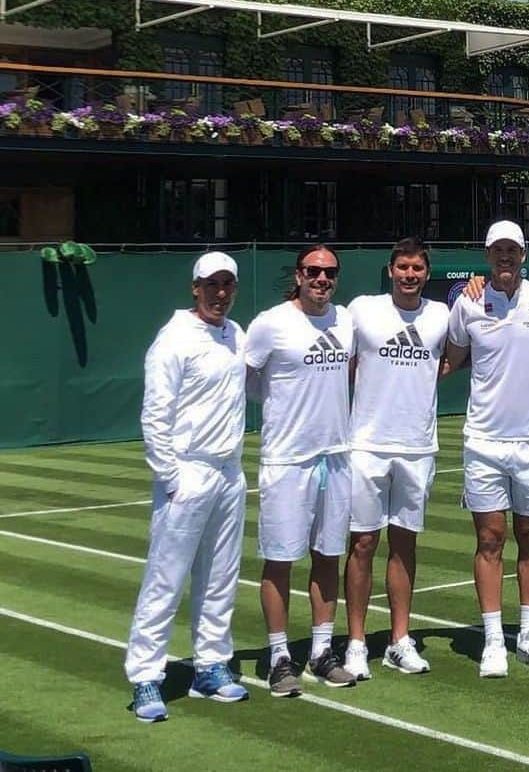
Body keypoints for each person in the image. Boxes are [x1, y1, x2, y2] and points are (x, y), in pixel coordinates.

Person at [124, 252, 249, 722]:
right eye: (212, 284)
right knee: (166, 579)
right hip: (188, 472)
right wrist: (171, 476)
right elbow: (155, 414)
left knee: (220, 577)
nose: (220, 292)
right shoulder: (172, 340)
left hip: (229, 472)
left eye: (228, 284)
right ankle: (146, 677)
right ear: (195, 287)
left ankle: (211, 665)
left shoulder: (235, 334)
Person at [446, 220, 529, 678]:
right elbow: (449, 360)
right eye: (497, 250)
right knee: (489, 539)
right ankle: (495, 640)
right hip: (483, 441)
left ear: (523, 255)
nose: (505, 257)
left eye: (512, 250)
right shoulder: (467, 303)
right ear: (487, 255)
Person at [246, 244, 356, 696]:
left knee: (328, 555)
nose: (321, 279)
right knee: (280, 560)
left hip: (337, 456)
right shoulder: (270, 323)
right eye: (313, 271)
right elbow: (247, 380)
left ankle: (321, 652)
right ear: (298, 275)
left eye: (329, 272)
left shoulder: (345, 320)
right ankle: (278, 658)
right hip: (287, 459)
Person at [343, 237, 449, 679]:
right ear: (390, 270)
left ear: (427, 273)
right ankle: (354, 642)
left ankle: (399, 641)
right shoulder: (362, 310)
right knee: (363, 544)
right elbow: (345, 366)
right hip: (366, 446)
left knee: (405, 544)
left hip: (418, 447)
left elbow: (449, 361)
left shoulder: (441, 315)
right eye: (403, 267)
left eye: (417, 269)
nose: (410, 275)